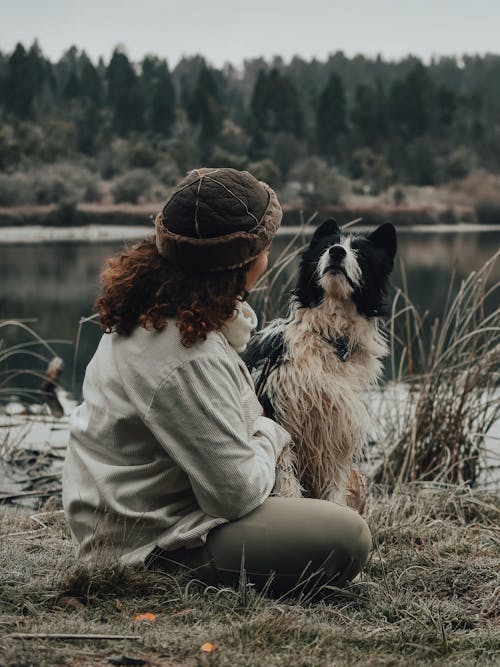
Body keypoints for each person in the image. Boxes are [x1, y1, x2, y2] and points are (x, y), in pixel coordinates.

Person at [62, 167, 371, 598]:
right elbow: (237, 495)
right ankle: (175, 577)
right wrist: (269, 431)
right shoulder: (188, 355)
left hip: (129, 520)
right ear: (246, 260)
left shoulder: (156, 311)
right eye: (265, 244)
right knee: (348, 537)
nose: (269, 254)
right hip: (150, 544)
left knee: (339, 499)